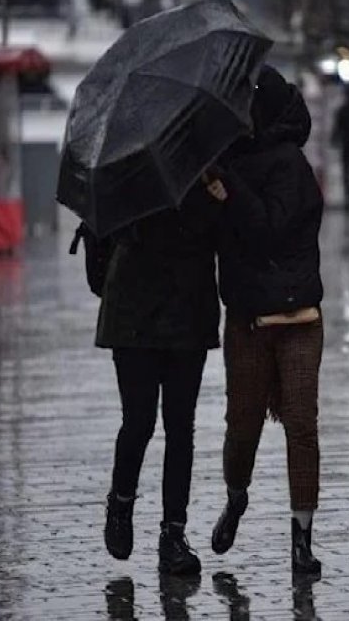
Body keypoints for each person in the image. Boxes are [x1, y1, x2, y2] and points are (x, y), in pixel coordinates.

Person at [204, 66, 325, 574]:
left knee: (300, 425)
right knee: (243, 427)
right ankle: (237, 496)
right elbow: (218, 242)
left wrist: (230, 193)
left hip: (298, 319)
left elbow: (270, 231)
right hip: (247, 320)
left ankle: (302, 539)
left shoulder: (291, 165)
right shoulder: (224, 165)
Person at [99, 187, 221, 575]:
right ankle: (120, 504)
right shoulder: (129, 174)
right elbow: (104, 236)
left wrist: (218, 199)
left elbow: (227, 236)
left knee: (180, 427)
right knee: (139, 421)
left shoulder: (208, 168)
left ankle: (174, 534)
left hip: (189, 310)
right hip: (134, 314)